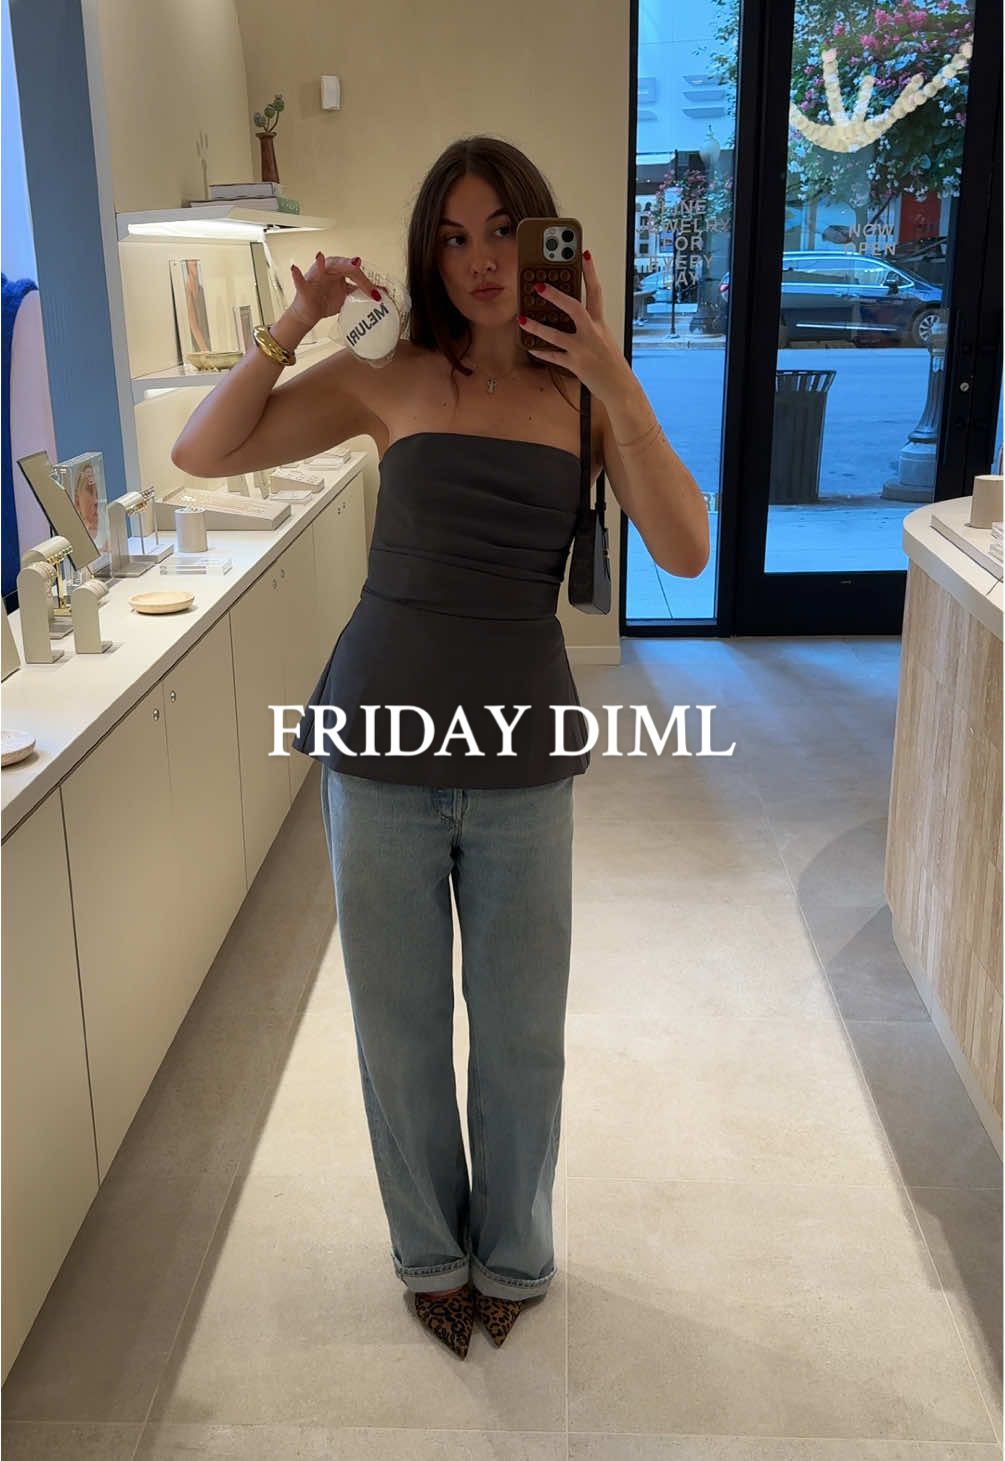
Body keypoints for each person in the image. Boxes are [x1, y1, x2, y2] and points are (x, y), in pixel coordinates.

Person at [170, 134, 688, 1361]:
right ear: (429, 253)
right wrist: (294, 321)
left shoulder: (583, 394)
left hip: (522, 757)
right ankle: (428, 1254)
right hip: (377, 747)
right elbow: (203, 451)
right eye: (453, 238)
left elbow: (683, 546)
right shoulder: (389, 376)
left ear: (546, 239)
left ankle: (513, 1252)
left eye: (503, 230)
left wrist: (616, 379)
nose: (481, 261)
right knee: (398, 1032)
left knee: (521, 1036)